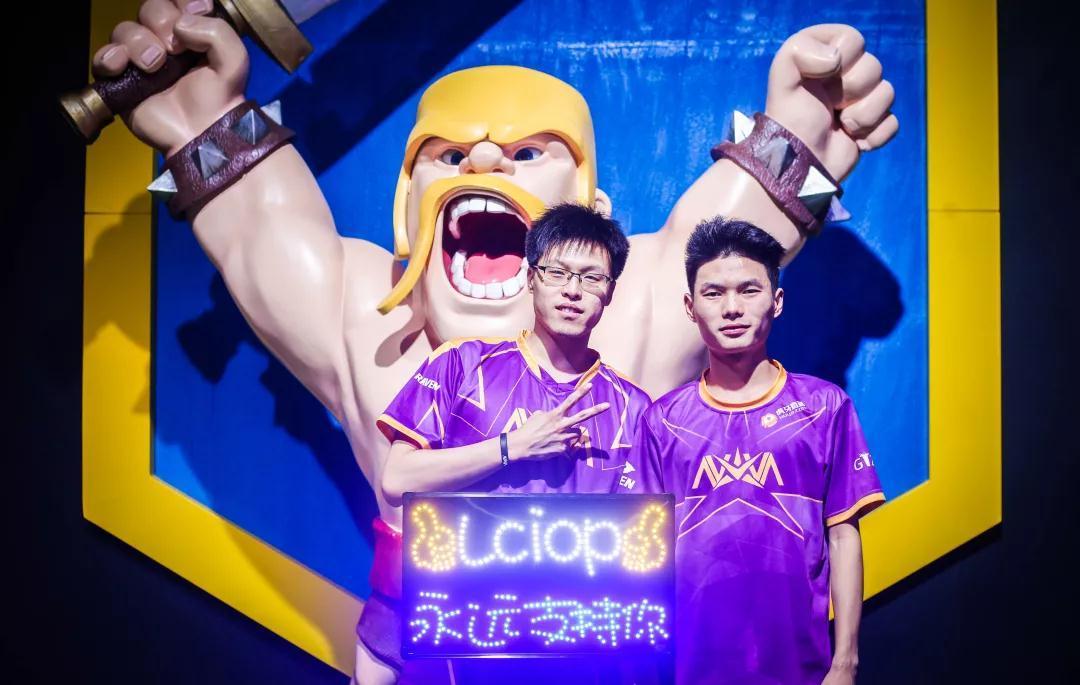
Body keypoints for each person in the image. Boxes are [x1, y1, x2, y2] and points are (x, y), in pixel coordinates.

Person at [90, 3, 897, 681]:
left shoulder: (636, 308)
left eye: (528, 151)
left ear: (590, 210)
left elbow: (743, 224)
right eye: (447, 153)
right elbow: (258, 226)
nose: (482, 159)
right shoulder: (372, 323)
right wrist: (201, 121)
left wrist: (803, 128)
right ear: (409, 205)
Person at [375, 203, 650, 683]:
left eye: (591, 278)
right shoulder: (462, 364)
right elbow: (397, 480)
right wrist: (511, 447)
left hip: (575, 652)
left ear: (610, 292)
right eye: (557, 272)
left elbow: (641, 549)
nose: (572, 290)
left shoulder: (635, 407)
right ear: (530, 277)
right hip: (463, 639)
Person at [623, 218, 885, 685]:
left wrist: (845, 662)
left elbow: (844, 537)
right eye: (713, 293)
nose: (732, 308)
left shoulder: (824, 407)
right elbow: (641, 556)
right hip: (685, 671)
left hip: (801, 669)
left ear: (776, 301)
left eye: (749, 290)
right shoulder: (661, 421)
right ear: (690, 307)